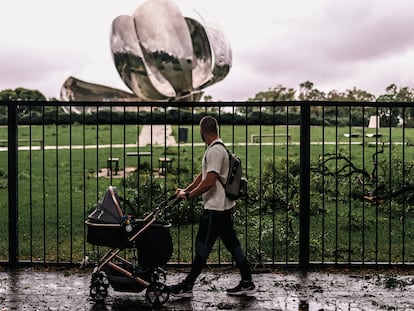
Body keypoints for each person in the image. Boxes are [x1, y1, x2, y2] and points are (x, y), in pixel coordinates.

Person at [170, 116, 256, 298]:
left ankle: (187, 286)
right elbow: (202, 177)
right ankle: (247, 281)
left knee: (202, 246)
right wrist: (186, 190)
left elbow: (210, 181)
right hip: (223, 208)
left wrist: (190, 196)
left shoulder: (215, 151)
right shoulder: (218, 148)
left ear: (202, 131)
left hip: (216, 209)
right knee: (233, 245)